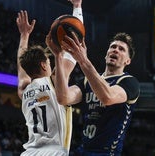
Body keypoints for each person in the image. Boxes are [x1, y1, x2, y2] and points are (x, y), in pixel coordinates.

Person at [46, 27, 140, 155]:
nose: (115, 50)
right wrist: (58, 57)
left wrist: (83, 60)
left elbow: (108, 97)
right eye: (113, 47)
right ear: (106, 54)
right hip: (83, 149)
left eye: (121, 49)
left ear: (127, 61)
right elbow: (63, 98)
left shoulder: (129, 82)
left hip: (106, 152)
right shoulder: (86, 80)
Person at [16, 0, 83, 156]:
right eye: (49, 61)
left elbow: (22, 65)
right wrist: (77, 7)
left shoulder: (24, 91)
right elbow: (73, 48)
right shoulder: (53, 82)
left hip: (29, 152)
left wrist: (24, 36)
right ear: (43, 65)